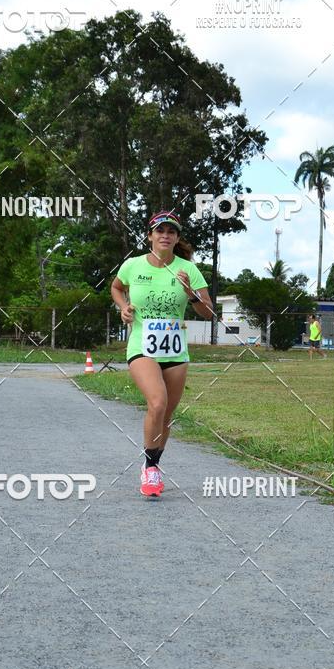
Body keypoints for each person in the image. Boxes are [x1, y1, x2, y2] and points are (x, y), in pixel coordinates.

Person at [110, 210, 213, 497]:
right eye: (160, 231)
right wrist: (123, 307)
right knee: (157, 402)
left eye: (171, 232)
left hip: (176, 350)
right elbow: (116, 288)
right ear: (150, 236)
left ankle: (153, 464)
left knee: (166, 414)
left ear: (177, 238)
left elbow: (208, 311)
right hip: (142, 346)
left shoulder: (188, 269)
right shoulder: (132, 265)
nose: (165, 235)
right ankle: (150, 469)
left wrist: (190, 292)